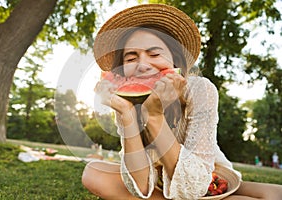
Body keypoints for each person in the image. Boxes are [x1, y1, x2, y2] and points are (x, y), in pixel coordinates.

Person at [82, 4, 282, 200]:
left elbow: (196, 187)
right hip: (157, 184)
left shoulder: (200, 89)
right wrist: (126, 113)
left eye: (154, 54)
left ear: (175, 60)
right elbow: (140, 185)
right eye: (131, 58)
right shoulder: (125, 100)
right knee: (93, 172)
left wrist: (154, 116)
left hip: (207, 177)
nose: (143, 65)